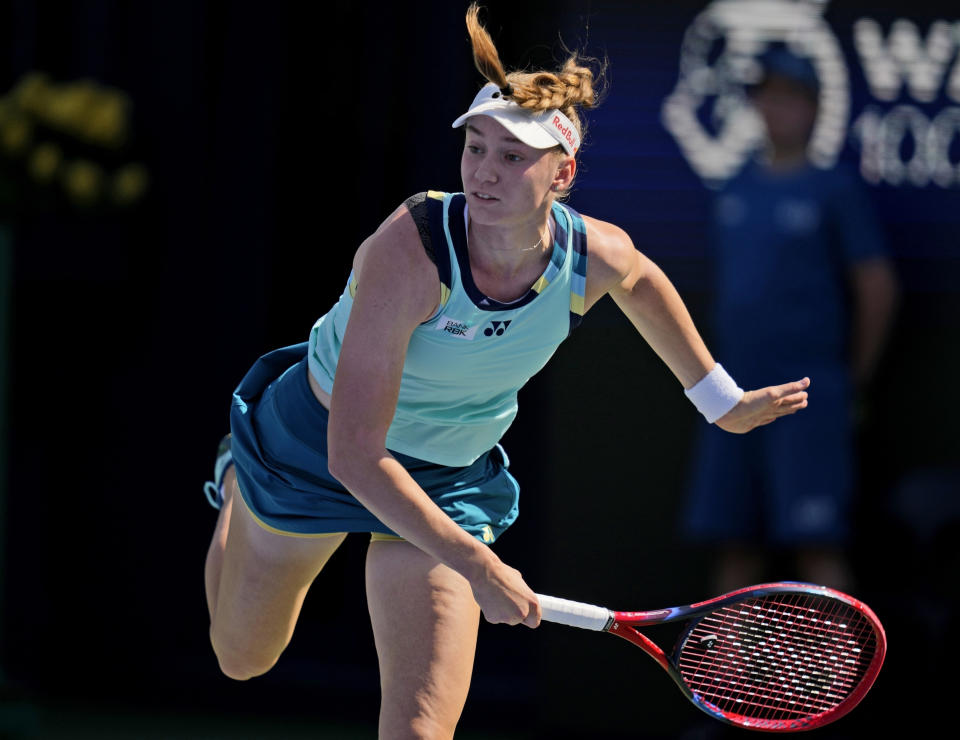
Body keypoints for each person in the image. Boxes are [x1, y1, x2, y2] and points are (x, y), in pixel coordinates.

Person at [203, 7, 810, 738]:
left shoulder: (593, 256)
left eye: (514, 157)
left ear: (564, 173)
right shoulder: (411, 250)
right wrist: (481, 568)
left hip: (446, 475)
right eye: (476, 147)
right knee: (242, 659)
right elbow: (355, 456)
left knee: (422, 728)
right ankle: (238, 480)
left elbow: (643, 281)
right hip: (315, 451)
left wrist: (720, 400)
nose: (485, 171)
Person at [683, 44, 899, 596]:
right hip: (733, 394)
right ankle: (719, 682)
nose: (776, 110)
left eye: (788, 98)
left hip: (811, 395)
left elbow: (877, 288)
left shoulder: (836, 190)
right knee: (734, 545)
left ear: (813, 107)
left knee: (817, 546)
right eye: (766, 98)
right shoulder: (733, 188)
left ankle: (845, 681)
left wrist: (850, 380)